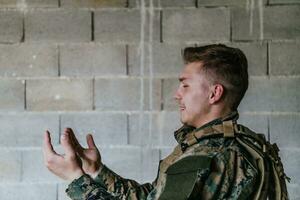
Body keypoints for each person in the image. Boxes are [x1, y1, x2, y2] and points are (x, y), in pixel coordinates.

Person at [43, 44, 289, 200]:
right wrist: (95, 171)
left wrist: (75, 180)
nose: (177, 94)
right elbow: (152, 196)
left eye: (185, 85)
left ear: (214, 93)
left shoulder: (210, 156)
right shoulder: (241, 146)